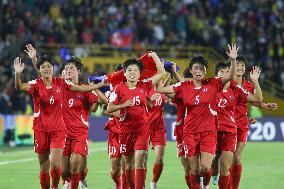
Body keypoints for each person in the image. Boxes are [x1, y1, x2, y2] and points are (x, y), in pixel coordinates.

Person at [13, 55, 106, 189]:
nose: (68, 70)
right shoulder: (52, 84)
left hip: (72, 132)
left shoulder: (68, 85)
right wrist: (25, 67)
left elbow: (91, 101)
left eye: (71, 68)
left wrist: (97, 86)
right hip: (48, 131)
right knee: (59, 170)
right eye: (66, 68)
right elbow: (42, 76)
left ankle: (76, 181)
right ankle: (65, 183)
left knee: (73, 166)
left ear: (78, 71)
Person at [156, 44, 238, 189]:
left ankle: (205, 184)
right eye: (196, 68)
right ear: (191, 70)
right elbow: (160, 89)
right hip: (190, 133)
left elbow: (231, 76)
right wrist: (162, 72)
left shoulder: (213, 83)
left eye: (202, 68)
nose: (199, 70)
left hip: (209, 132)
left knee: (205, 168)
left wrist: (232, 60)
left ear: (206, 70)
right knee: (193, 170)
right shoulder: (183, 86)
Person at [212, 61, 277, 189]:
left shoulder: (244, 86)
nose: (240, 68)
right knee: (217, 156)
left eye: (242, 66)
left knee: (235, 157)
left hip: (240, 125)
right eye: (237, 65)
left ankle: (232, 186)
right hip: (222, 124)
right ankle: (215, 174)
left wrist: (256, 83)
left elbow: (255, 100)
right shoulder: (221, 84)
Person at [107, 52, 166, 189]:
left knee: (140, 159)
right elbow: (110, 108)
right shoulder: (118, 89)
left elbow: (162, 73)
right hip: (126, 130)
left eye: (136, 70)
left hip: (142, 129)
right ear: (125, 74)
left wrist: (154, 56)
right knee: (128, 167)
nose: (132, 73)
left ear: (140, 74)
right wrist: (123, 105)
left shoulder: (144, 85)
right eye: (129, 70)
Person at [102, 64, 129, 189]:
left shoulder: (131, 90)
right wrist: (118, 112)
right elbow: (104, 110)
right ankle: (118, 183)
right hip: (114, 132)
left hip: (127, 132)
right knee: (114, 170)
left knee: (126, 165)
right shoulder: (110, 92)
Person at [148, 81, 167, 189]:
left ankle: (153, 182)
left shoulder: (161, 87)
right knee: (140, 159)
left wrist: (170, 74)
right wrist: (150, 99)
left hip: (158, 128)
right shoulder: (145, 86)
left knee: (159, 158)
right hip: (144, 127)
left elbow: (166, 89)